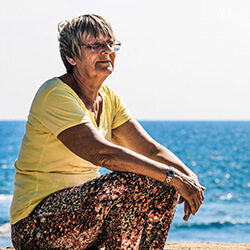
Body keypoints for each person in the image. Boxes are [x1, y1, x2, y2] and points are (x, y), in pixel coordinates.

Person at [10, 14, 205, 249]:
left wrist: (187, 177)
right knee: (134, 179)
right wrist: (173, 176)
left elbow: (150, 150)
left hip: (84, 217)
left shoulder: (109, 98)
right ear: (71, 57)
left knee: (163, 184)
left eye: (109, 44)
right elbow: (103, 154)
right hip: (35, 226)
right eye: (94, 45)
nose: (106, 51)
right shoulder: (55, 94)